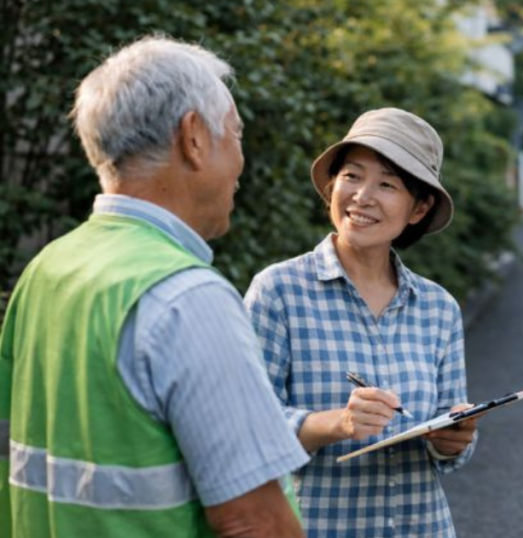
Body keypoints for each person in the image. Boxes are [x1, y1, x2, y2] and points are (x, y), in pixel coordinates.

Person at [0, 37, 309, 537]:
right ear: (193, 137)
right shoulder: (188, 300)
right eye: (235, 134)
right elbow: (254, 521)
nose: (240, 163)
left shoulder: (47, 270)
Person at [243, 108, 478, 538]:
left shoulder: (438, 307)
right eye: (352, 176)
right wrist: (338, 424)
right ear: (333, 184)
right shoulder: (278, 291)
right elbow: (245, 432)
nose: (362, 196)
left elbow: (451, 447)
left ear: (419, 207)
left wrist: (453, 438)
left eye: (387, 184)